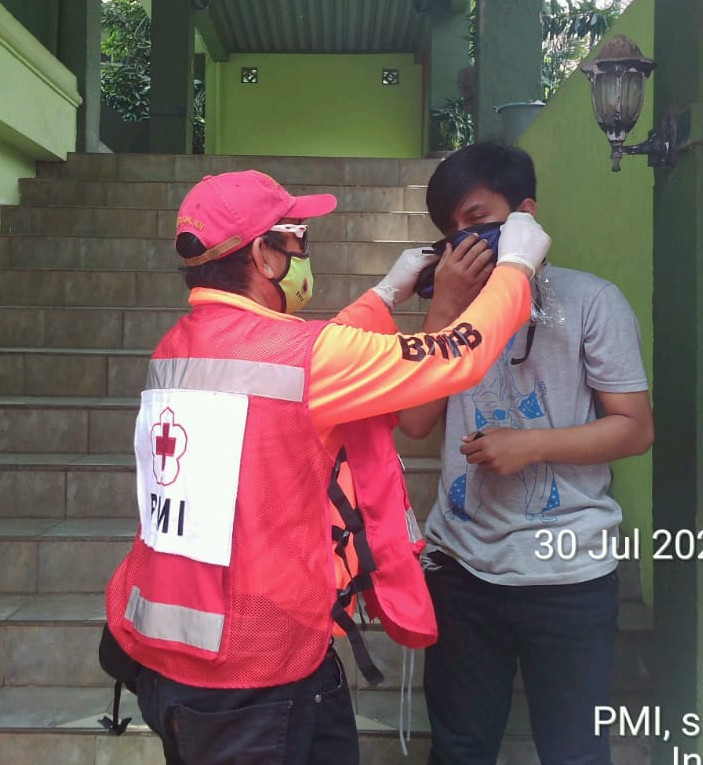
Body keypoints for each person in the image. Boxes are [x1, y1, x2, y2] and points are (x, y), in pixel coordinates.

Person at [102, 168, 551, 765]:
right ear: (263, 255)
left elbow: (296, 373)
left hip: (173, 651)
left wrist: (385, 297)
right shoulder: (305, 360)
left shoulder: (180, 345)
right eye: (297, 241)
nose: (305, 255)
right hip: (253, 676)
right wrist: (516, 268)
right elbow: (455, 354)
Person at [398, 142, 654, 765]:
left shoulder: (593, 301)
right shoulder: (451, 314)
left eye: (476, 218)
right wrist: (443, 307)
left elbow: (635, 429)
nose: (464, 240)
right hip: (461, 568)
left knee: (573, 749)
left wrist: (531, 446)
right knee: (460, 748)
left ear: (525, 217)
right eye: (450, 230)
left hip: (570, 571)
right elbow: (414, 421)